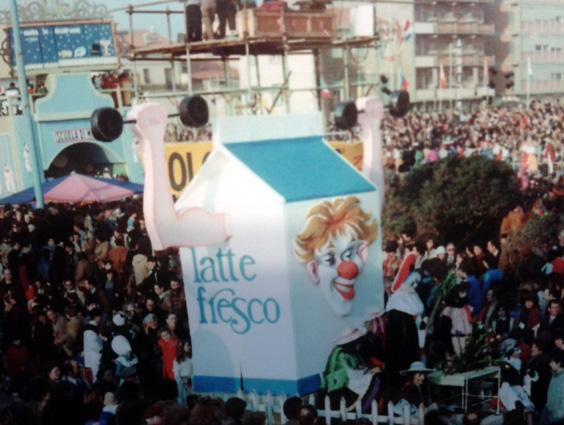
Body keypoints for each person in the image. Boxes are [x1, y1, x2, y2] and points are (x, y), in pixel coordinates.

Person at [539, 350, 564, 425]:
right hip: (547, 409)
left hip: (555, 416)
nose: (550, 364)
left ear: (559, 363)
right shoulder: (555, 374)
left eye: (552, 362)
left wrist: (555, 417)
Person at [173, 340, 193, 405]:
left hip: (190, 382)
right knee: (183, 400)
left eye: (189, 345)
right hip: (182, 383)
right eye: (187, 345)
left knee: (190, 399)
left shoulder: (190, 358)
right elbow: (176, 375)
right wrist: (181, 386)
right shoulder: (177, 360)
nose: (189, 347)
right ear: (182, 347)